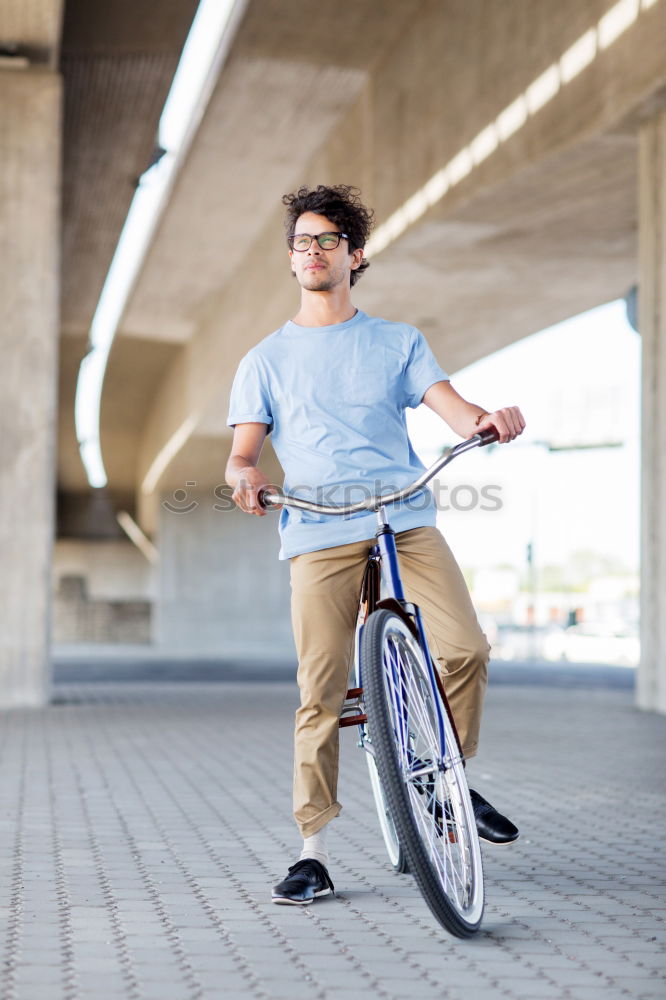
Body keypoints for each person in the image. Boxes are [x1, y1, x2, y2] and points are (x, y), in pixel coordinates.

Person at [226, 185, 525, 906]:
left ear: (355, 256)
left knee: (464, 649)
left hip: (403, 516)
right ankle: (313, 848)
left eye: (328, 240)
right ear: (291, 257)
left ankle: (446, 778)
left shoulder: (397, 341)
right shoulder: (264, 359)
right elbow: (243, 454)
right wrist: (245, 476)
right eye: (302, 241)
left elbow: (455, 411)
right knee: (320, 689)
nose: (313, 251)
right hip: (319, 528)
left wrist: (488, 421)